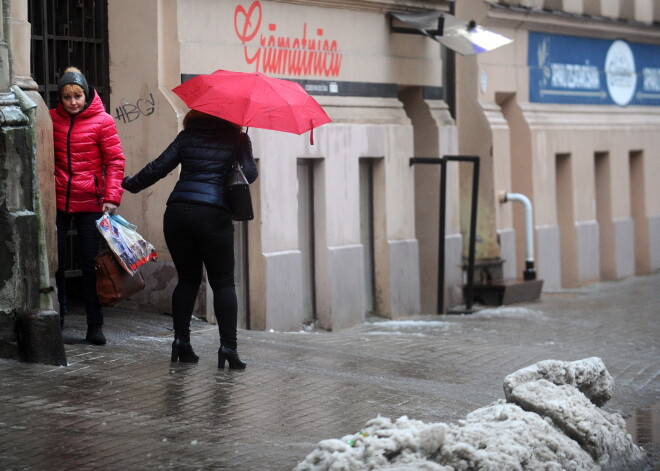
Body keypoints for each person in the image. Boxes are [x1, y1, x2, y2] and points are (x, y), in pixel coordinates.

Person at [121, 110, 258, 369]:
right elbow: (249, 175)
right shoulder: (237, 138)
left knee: (187, 279)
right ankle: (228, 347)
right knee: (224, 283)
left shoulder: (187, 136)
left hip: (177, 213)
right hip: (213, 214)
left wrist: (131, 184)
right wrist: (240, 153)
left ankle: (181, 342)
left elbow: (159, 167)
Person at [51, 67, 126, 345]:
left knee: (89, 264)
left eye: (78, 96)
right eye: (67, 96)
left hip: (91, 201)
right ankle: (57, 319)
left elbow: (115, 161)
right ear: (60, 97)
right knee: (55, 262)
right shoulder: (51, 120)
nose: (73, 102)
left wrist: (111, 196)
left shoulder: (103, 121)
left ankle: (94, 325)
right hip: (58, 199)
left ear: (86, 94)